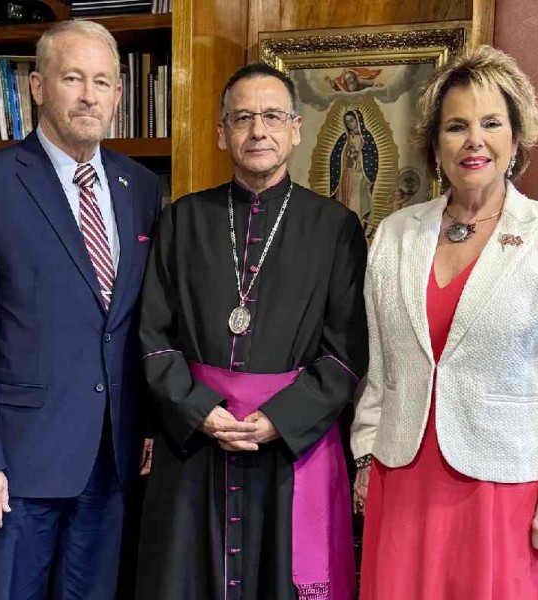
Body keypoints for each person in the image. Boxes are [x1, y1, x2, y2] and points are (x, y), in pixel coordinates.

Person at [351, 45, 538, 599]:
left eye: (491, 123)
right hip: (402, 476)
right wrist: (367, 454)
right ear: (435, 144)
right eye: (456, 126)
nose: (474, 140)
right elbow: (380, 364)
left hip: (505, 488)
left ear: (516, 138)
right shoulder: (394, 234)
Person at [0, 20, 161, 599]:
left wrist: (149, 425)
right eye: (72, 78)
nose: (89, 96)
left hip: (112, 459)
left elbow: (142, 322)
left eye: (102, 82)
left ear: (118, 94)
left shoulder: (140, 187)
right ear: (38, 87)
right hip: (17, 467)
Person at [135, 62, 368, 600]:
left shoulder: (335, 228)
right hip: (195, 442)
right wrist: (199, 410)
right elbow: (153, 336)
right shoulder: (182, 220)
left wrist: (279, 420)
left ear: (295, 129)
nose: (257, 130)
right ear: (222, 133)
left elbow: (346, 350)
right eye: (242, 118)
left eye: (271, 116)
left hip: (289, 446)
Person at [330, 109, 378, 233]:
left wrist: (357, 156)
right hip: (345, 176)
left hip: (359, 176)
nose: (350, 124)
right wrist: (345, 156)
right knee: (343, 204)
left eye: (352, 120)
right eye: (347, 122)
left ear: (358, 120)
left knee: (356, 205)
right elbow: (335, 156)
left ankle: (357, 232)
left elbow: (371, 158)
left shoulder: (366, 138)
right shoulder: (344, 138)